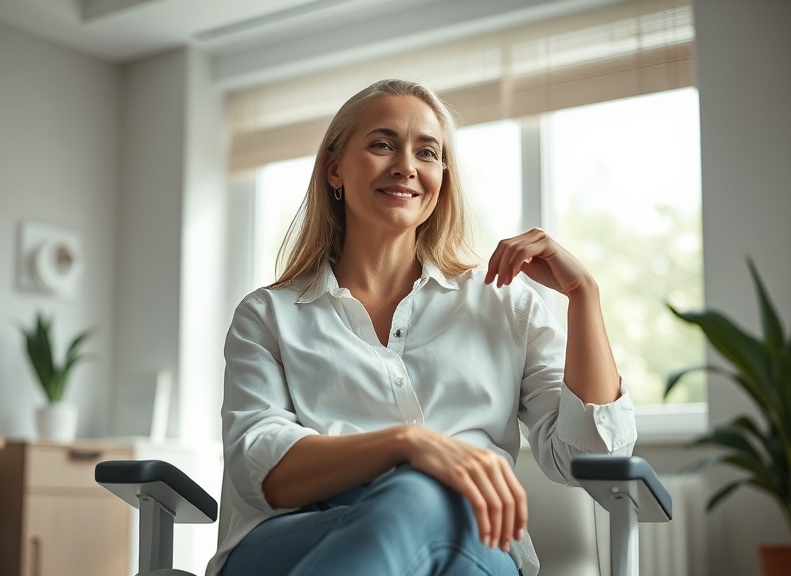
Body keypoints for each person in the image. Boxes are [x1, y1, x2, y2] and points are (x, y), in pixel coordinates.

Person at [209, 79, 636, 576]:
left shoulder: (503, 304)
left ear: (442, 176)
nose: (406, 166)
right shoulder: (267, 315)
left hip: (468, 541)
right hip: (300, 535)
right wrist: (407, 445)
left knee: (425, 499)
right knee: (416, 492)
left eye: (427, 152)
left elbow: (593, 458)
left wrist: (584, 294)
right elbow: (259, 468)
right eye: (382, 144)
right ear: (334, 169)